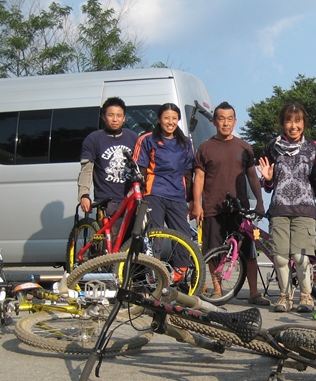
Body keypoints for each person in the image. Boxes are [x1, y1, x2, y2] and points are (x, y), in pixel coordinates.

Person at [191, 101, 270, 306]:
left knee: (248, 251)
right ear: (214, 121)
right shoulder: (205, 148)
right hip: (212, 207)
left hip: (240, 209)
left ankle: (254, 293)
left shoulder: (244, 147)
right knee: (213, 250)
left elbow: (252, 177)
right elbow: (199, 178)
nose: (225, 123)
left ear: (235, 121)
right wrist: (197, 204)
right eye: (221, 119)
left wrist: (259, 202)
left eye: (229, 119)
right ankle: (217, 290)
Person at [258, 103, 316, 313]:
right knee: (280, 257)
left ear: (304, 123)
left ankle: (306, 297)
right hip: (279, 210)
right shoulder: (272, 147)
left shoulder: (313, 147)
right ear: (282, 123)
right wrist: (267, 179)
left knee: (301, 257)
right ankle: (285, 297)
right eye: (289, 121)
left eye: (298, 121)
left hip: (304, 210)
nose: (293, 126)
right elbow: (269, 186)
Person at [134, 103, 195, 283]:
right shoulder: (147, 139)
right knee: (155, 236)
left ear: (178, 120)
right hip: (154, 193)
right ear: (159, 119)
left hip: (177, 195)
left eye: (174, 118)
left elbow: (189, 172)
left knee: (183, 236)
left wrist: (191, 199)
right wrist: (139, 198)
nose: (170, 122)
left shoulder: (185, 142)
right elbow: (139, 170)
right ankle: (152, 274)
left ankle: (179, 274)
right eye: (166, 118)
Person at [77, 97, 140, 234]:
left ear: (124, 118)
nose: (115, 119)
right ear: (103, 116)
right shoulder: (93, 139)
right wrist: (84, 194)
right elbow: (87, 170)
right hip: (107, 201)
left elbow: (141, 167)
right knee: (111, 243)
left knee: (134, 240)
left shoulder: (133, 137)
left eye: (119, 115)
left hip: (131, 199)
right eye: (111, 115)